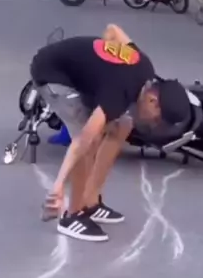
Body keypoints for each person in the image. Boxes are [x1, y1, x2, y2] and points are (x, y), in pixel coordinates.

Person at [30, 24, 192, 242]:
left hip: (80, 77)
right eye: (156, 119)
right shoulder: (119, 94)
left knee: (124, 124)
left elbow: (113, 30)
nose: (152, 125)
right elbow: (82, 141)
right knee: (91, 140)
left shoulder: (145, 70)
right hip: (52, 75)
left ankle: (90, 201)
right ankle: (72, 215)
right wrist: (58, 186)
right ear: (153, 100)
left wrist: (101, 67)